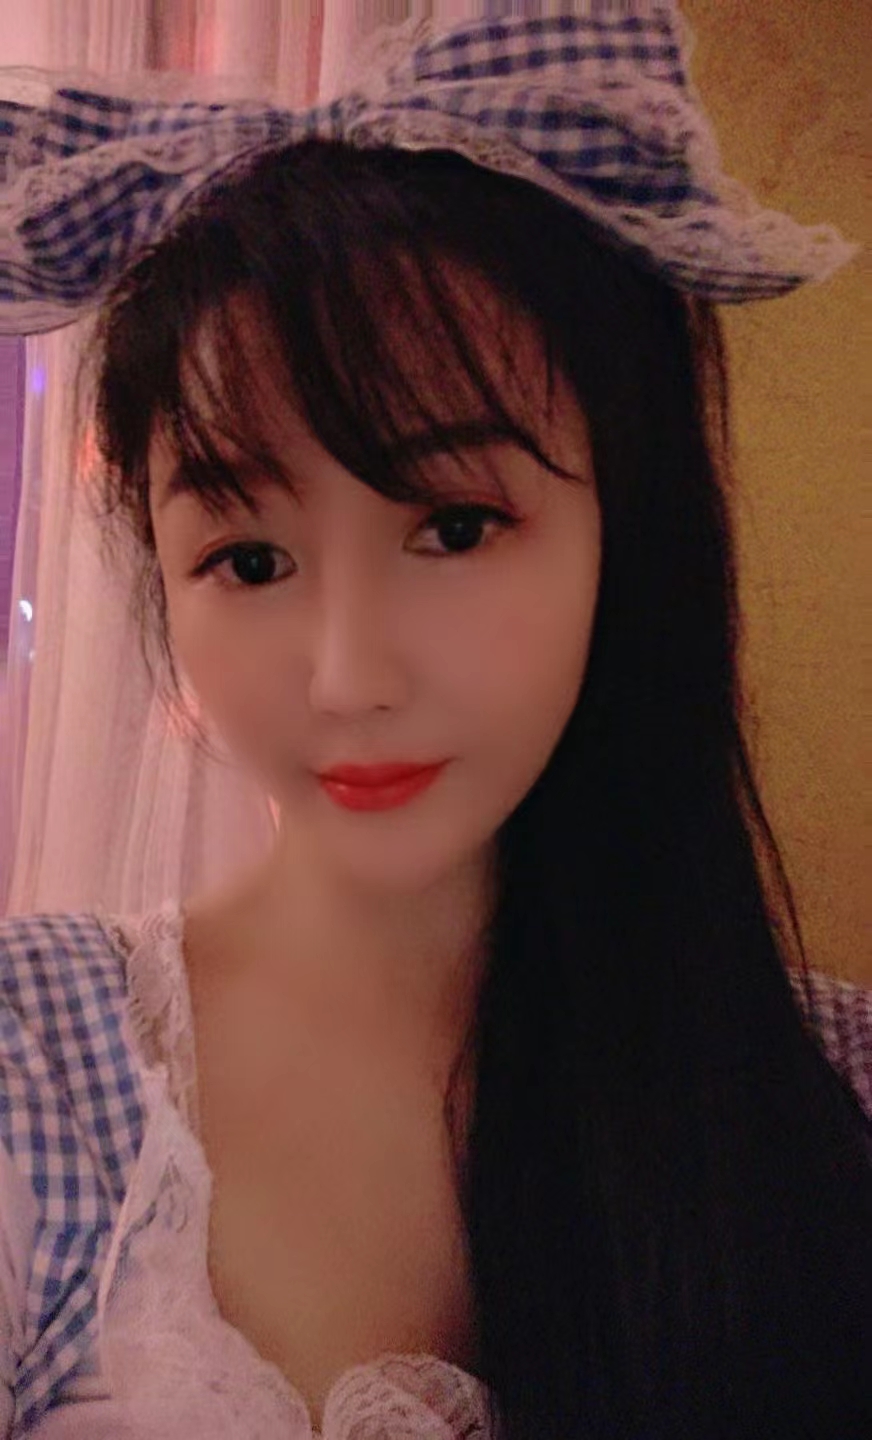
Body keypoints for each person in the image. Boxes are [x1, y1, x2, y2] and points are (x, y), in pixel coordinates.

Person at [0, 6, 869, 1438]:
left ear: (626, 529)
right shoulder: (38, 1066)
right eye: (249, 561)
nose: (348, 677)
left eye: (456, 528)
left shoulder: (828, 1096)